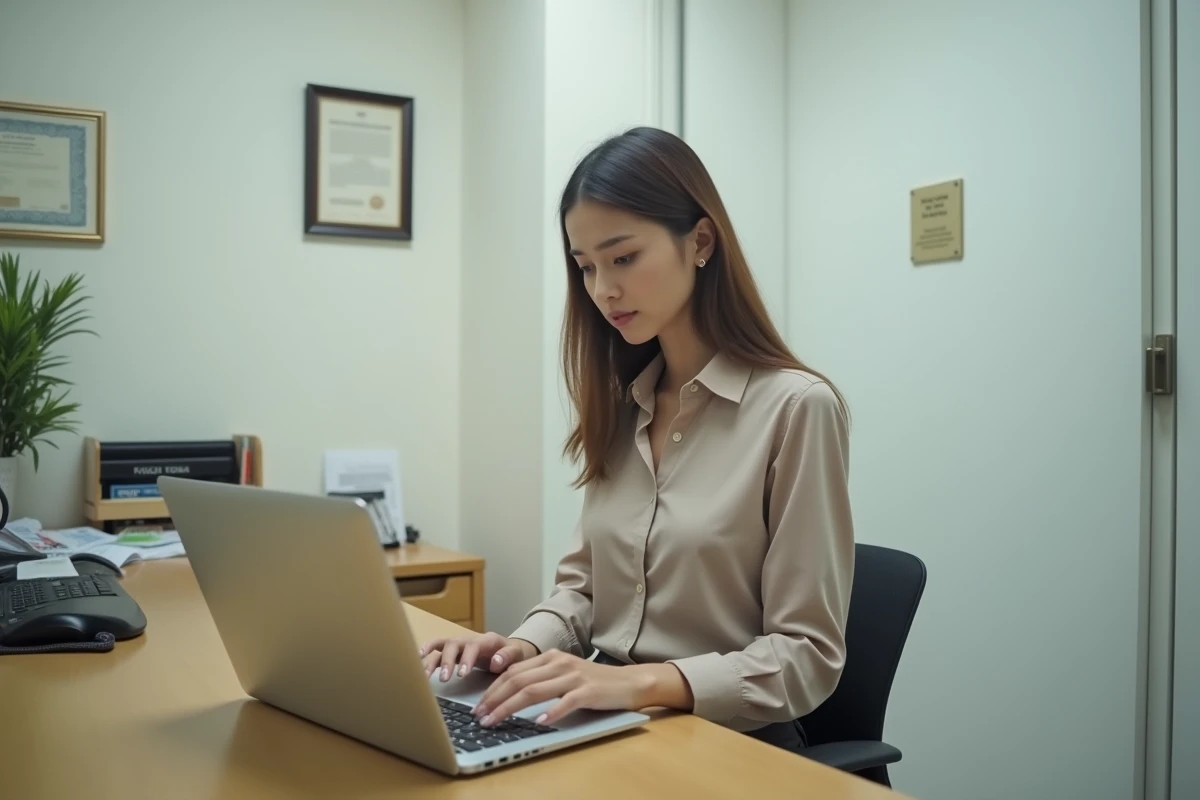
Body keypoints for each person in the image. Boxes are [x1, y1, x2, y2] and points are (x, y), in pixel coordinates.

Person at [419, 126, 855, 754]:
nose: (603, 290)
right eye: (586, 266)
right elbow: (583, 590)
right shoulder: (625, 408)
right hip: (606, 718)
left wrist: (643, 683)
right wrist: (520, 646)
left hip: (729, 742)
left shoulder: (797, 409)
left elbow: (807, 656)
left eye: (623, 258)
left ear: (700, 242)